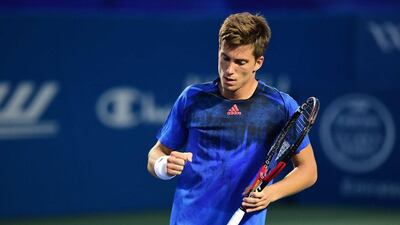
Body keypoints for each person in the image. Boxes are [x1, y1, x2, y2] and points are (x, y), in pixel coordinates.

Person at [147, 12, 317, 225]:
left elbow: (308, 171)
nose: (229, 70)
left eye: (241, 62)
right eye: (225, 58)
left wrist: (271, 193)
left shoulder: (281, 106)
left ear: (258, 62)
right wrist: (164, 166)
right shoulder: (192, 98)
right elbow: (156, 154)